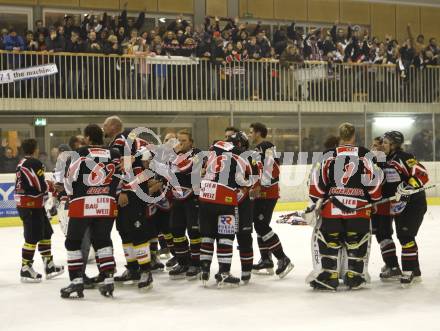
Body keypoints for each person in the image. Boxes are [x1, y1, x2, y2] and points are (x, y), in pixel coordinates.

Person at [308, 123, 383, 291]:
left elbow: (317, 183)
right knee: (356, 242)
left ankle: (329, 277)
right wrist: (375, 200)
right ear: (354, 136)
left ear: (339, 136)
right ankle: (354, 278)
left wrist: (316, 201)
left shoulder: (328, 155)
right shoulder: (365, 155)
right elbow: (374, 182)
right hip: (359, 209)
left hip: (332, 209)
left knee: (330, 242)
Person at [61, 124, 121, 298]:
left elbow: (69, 178)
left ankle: (76, 282)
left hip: (83, 203)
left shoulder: (80, 153)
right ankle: (108, 280)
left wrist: (72, 195)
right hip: (107, 203)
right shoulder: (114, 154)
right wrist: (110, 194)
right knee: (102, 241)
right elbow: (121, 177)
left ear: (87, 137)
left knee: (72, 242)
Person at [198, 136, 251, 287]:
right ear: (240, 144)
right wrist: (250, 182)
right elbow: (241, 179)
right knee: (225, 237)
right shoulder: (241, 155)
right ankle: (223, 273)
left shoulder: (214, 147)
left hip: (205, 195)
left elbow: (204, 168)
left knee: (207, 235)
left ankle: (204, 269)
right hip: (224, 198)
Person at [382, 131, 429, 286]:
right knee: (403, 235)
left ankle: (409, 270)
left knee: (406, 236)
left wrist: (408, 186)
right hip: (400, 205)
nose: (383, 145)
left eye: (386, 142)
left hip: (414, 203)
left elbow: (422, 174)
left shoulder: (405, 157)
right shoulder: (386, 160)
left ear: (394, 145)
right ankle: (415, 271)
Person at [15, 138, 64, 283]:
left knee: (45, 233)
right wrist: (52, 187)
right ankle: (25, 268)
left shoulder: (22, 162)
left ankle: (49, 265)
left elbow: (34, 181)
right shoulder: (34, 163)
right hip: (30, 205)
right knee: (31, 237)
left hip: (32, 205)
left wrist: (48, 185)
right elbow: (38, 184)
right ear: (35, 149)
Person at [249, 122, 293, 278]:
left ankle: (282, 258)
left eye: (252, 132)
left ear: (259, 133)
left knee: (260, 225)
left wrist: (261, 186)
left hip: (267, 194)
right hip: (263, 193)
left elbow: (273, 169)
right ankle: (266, 259)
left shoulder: (266, 146)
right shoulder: (259, 149)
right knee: (261, 225)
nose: (250, 135)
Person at [168, 130, 203, 280]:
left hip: (193, 198)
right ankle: (183, 262)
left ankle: (196, 263)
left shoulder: (198, 154)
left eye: (183, 140)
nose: (180, 143)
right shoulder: (173, 155)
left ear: (191, 142)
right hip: (177, 198)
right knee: (176, 230)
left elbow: (186, 168)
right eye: (179, 140)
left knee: (194, 231)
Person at [224, 127, 256, 284]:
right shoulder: (225, 157)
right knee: (226, 237)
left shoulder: (250, 158)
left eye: (236, 143)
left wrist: (249, 188)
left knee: (244, 237)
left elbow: (256, 179)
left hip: (243, 204)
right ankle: (225, 271)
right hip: (227, 202)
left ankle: (246, 271)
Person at [370, 136, 401, 280]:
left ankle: (393, 266)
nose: (376, 148)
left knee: (384, 233)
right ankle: (389, 263)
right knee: (379, 234)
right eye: (374, 145)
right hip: (376, 204)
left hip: (384, 203)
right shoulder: (375, 159)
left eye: (378, 145)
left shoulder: (383, 161)